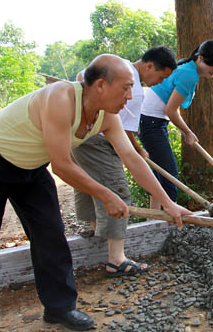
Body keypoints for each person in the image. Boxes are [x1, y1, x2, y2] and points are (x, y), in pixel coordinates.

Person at [0, 54, 192, 332]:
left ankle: (59, 308)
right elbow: (61, 165)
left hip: (30, 169)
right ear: (100, 86)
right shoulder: (61, 98)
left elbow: (131, 158)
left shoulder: (107, 116)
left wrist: (167, 203)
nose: (130, 97)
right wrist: (107, 195)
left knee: (51, 237)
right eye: (125, 88)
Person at [71, 47, 178, 278]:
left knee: (89, 185)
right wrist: (138, 150)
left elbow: (81, 77)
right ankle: (116, 260)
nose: (159, 83)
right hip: (99, 140)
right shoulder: (134, 89)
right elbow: (126, 134)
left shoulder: (116, 67)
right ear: (149, 66)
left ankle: (98, 236)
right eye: (161, 77)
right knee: (117, 189)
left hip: (81, 133)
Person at [140, 40, 213, 210]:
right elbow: (170, 110)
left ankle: (154, 217)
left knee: (161, 173)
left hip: (151, 120)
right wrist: (187, 132)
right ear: (200, 58)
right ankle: (170, 217)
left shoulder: (187, 66)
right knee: (169, 175)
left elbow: (169, 108)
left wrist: (185, 131)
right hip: (151, 121)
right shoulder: (189, 75)